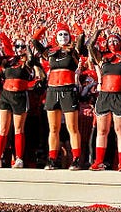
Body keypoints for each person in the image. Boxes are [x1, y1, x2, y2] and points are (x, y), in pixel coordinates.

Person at [33, 23, 86, 170]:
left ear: (70, 37)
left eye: (66, 34)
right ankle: (52, 159)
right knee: (53, 128)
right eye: (60, 34)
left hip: (68, 90)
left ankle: (76, 158)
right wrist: (43, 28)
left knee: (72, 127)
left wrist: (75, 24)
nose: (63, 37)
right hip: (52, 91)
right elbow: (34, 41)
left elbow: (81, 36)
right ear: (55, 37)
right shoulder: (50, 52)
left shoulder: (73, 51)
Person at [87, 30, 121, 171]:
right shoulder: (102, 58)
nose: (112, 43)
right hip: (104, 96)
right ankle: (99, 161)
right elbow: (90, 46)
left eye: (115, 41)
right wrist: (97, 32)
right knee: (102, 131)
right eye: (109, 41)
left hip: (119, 96)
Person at [0, 35, 41, 168]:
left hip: (20, 96)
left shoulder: (27, 62)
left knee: (18, 129)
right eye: (17, 46)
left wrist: (28, 46)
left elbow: (31, 59)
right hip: (6, 95)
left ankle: (19, 158)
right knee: (3, 128)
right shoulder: (8, 61)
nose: (19, 49)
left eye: (22, 46)